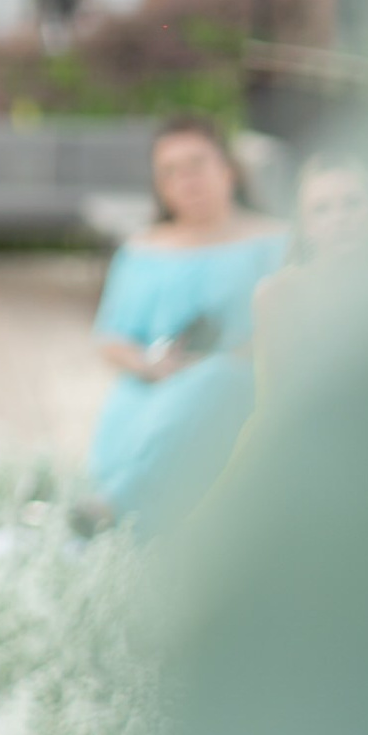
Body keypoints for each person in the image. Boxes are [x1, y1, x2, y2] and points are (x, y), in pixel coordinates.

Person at [86, 114, 287, 518]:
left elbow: (291, 323)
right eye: (170, 172)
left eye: (196, 164)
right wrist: (150, 364)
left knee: (214, 380)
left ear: (228, 169)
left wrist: (215, 363)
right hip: (151, 388)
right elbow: (110, 337)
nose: (186, 181)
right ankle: (111, 509)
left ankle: (110, 511)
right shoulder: (142, 250)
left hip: (237, 388)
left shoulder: (276, 240)